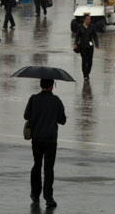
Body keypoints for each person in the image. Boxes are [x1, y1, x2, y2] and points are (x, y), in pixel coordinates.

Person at [24, 78, 67, 208]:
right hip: (51, 139)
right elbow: (62, 120)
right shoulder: (56, 101)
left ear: (40, 85)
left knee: (37, 165)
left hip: (36, 138)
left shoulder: (33, 99)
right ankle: (48, 197)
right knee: (49, 168)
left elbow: (26, 116)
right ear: (52, 86)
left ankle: (35, 194)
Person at [74, 14, 99, 82]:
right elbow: (77, 36)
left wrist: (96, 44)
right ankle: (85, 75)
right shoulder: (80, 27)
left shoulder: (92, 27)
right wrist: (75, 44)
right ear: (84, 20)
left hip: (90, 46)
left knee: (90, 61)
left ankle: (87, 73)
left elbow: (95, 36)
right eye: (88, 19)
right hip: (82, 47)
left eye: (90, 19)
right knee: (84, 61)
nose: (89, 20)